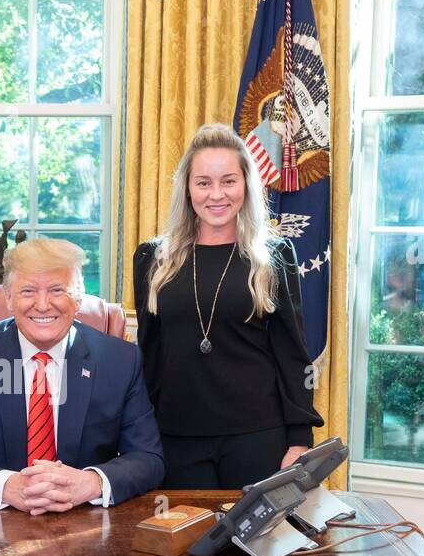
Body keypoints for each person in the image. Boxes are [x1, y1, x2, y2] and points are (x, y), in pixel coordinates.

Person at [133, 123, 323, 490]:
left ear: (247, 185)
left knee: (255, 544)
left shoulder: (275, 255)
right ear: (187, 189)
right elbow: (150, 352)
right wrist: (138, 435)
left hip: (257, 436)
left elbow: (292, 354)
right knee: (185, 544)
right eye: (203, 182)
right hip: (175, 437)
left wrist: (299, 439)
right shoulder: (152, 257)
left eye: (228, 181)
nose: (216, 195)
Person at [0, 237, 164, 513]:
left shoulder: (119, 360)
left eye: (58, 290)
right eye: (28, 291)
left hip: (86, 523)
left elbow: (148, 458)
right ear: (9, 298)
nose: (43, 305)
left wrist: (91, 482)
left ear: (79, 298)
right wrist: (5, 486)